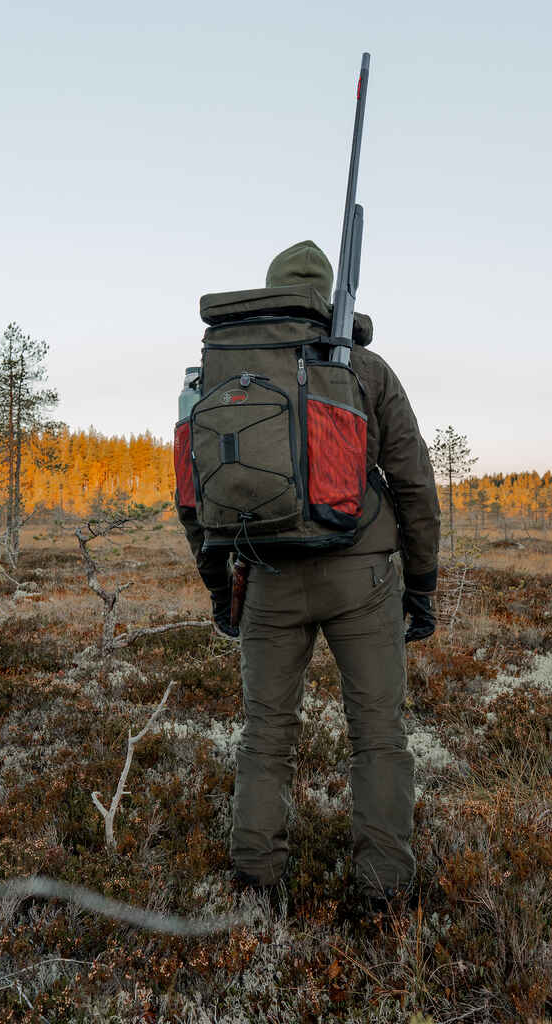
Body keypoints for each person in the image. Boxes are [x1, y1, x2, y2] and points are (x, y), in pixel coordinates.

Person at [176, 240, 440, 912]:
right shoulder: (366, 369)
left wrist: (221, 591)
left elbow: (193, 499)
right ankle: (382, 893)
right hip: (363, 577)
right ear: (327, 299)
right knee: (378, 736)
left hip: (266, 575)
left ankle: (254, 886)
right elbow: (414, 484)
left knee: (266, 736)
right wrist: (421, 586)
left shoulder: (216, 372)